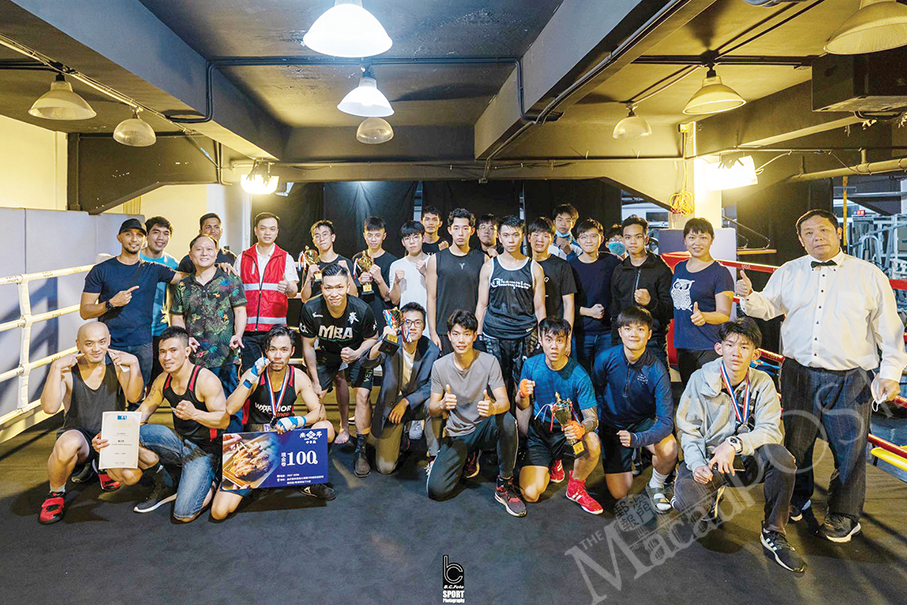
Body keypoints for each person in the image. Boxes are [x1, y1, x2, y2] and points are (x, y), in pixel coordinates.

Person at [737, 208, 907, 543]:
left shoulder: (868, 274)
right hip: (798, 372)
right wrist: (749, 297)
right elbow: (767, 307)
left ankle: (845, 514)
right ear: (801, 240)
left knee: (850, 449)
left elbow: (889, 329)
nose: (818, 238)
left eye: (824, 230)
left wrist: (890, 372)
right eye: (809, 233)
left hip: (851, 377)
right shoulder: (788, 271)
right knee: (796, 443)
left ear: (838, 233)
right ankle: (798, 498)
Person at [673, 319, 805, 573]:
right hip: (710, 460)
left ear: (755, 354)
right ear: (719, 348)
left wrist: (735, 444)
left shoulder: (763, 382)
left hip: (747, 460)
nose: (736, 352)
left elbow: (770, 430)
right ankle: (710, 493)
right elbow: (688, 430)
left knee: (783, 458)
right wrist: (697, 464)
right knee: (688, 502)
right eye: (730, 344)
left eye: (744, 346)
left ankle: (774, 532)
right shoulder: (700, 379)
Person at [93, 326, 229, 522]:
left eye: (173, 350)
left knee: (184, 514)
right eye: (162, 352)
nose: (167, 357)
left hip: (206, 450)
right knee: (132, 434)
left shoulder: (205, 380)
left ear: (187, 351)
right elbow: (140, 415)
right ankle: (167, 480)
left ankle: (212, 478)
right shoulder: (163, 380)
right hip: (179, 441)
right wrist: (108, 435)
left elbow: (223, 420)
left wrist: (195, 414)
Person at [211, 326, 337, 520]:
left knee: (326, 428)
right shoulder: (255, 374)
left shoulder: (298, 377)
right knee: (219, 512)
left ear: (292, 351)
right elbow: (230, 408)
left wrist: (297, 420)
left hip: (286, 441)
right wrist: (251, 376)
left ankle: (307, 481)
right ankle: (260, 481)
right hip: (257, 447)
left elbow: (318, 412)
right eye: (273, 349)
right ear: (266, 351)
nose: (278, 356)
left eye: (284, 350)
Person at [37, 323, 143, 524]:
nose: (96, 349)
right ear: (78, 344)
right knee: (66, 444)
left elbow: (134, 396)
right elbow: (49, 408)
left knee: (130, 476)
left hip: (109, 439)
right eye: (89, 343)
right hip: (81, 439)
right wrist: (55, 368)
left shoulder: (118, 366)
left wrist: (135, 364)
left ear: (109, 340)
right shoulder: (68, 371)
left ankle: (101, 466)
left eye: (102, 342)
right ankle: (56, 493)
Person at [426, 311, 525, 517]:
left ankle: (505, 483)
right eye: (456, 334)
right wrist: (442, 404)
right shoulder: (439, 366)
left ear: (474, 336)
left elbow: (504, 402)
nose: (461, 340)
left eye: (466, 334)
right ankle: (468, 455)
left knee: (507, 421)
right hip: (458, 433)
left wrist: (493, 408)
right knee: (436, 490)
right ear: (449, 336)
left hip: (483, 427)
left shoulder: (489, 361)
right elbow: (432, 408)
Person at [81, 218, 186, 389]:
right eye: (128, 234)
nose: (134, 239)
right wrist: (111, 303)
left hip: (141, 343)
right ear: (119, 238)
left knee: (138, 395)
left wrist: (218, 266)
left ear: (144, 239)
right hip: (110, 344)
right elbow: (85, 311)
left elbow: (184, 277)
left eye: (139, 235)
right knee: (109, 393)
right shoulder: (102, 270)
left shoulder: (153, 269)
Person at [593, 306, 677, 513]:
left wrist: (638, 439)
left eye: (640, 329)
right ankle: (631, 457)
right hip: (612, 425)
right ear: (620, 332)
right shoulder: (605, 358)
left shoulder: (657, 369)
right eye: (628, 328)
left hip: (641, 424)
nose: (634, 334)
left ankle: (656, 485)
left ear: (649, 334)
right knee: (619, 493)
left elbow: (666, 421)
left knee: (670, 449)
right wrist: (601, 427)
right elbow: (595, 393)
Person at [517, 318, 602, 515]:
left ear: (567, 342)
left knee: (592, 441)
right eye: (548, 340)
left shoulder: (579, 375)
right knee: (531, 494)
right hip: (541, 432)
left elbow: (593, 419)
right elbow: (522, 406)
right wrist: (522, 394)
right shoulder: (531, 365)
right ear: (540, 340)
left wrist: (582, 428)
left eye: (559, 340)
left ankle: (575, 487)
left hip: (567, 432)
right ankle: (553, 461)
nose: (554, 346)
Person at [300, 264, 379, 476]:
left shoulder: (361, 309)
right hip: (327, 351)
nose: (333, 293)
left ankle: (361, 449)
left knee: (362, 395)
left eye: (338, 287)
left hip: (355, 350)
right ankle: (319, 445)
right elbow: (308, 346)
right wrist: (315, 380)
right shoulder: (311, 308)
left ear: (347, 287)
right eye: (328, 288)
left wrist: (357, 353)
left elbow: (372, 338)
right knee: (315, 395)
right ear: (322, 288)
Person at [361, 302, 442, 475]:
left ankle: (434, 456)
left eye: (418, 322)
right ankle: (401, 437)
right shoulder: (391, 342)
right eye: (408, 322)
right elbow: (367, 363)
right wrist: (382, 341)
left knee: (434, 404)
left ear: (424, 326)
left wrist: (406, 402)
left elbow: (433, 384)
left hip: (416, 403)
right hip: (392, 406)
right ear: (400, 324)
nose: (412, 327)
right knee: (385, 468)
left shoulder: (432, 350)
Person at [476, 215, 546, 411]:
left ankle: (522, 431)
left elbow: (540, 308)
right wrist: (478, 335)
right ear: (499, 237)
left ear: (522, 236)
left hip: (524, 334)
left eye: (515, 235)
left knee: (523, 388)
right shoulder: (489, 266)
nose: (511, 240)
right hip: (494, 334)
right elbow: (481, 304)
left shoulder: (534, 268)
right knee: (495, 386)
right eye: (506, 235)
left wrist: (542, 337)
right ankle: (499, 428)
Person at [170, 234, 247, 404]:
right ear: (191, 255)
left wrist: (238, 334)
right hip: (194, 356)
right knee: (196, 402)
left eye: (209, 249)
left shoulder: (230, 279)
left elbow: (240, 310)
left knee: (229, 402)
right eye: (199, 249)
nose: (204, 253)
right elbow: (177, 316)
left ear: (216, 253)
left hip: (225, 354)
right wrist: (184, 339)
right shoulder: (183, 285)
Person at [670, 217, 734, 385]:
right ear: (685, 241)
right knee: (689, 394)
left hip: (708, 346)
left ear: (712, 240)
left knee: (709, 395)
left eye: (703, 237)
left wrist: (704, 316)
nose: (697, 242)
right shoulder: (679, 268)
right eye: (692, 237)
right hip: (683, 345)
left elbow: (724, 314)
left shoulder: (720, 273)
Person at [235, 212, 298, 373]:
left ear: (277, 232)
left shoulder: (286, 258)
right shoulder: (243, 257)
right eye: (263, 228)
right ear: (255, 230)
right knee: (251, 374)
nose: (267, 233)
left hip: (275, 331)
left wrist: (288, 287)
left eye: (272, 229)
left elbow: (293, 291)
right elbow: (234, 292)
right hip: (247, 329)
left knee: (275, 373)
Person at [610, 216, 673, 369]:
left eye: (638, 237)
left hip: (652, 340)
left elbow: (671, 310)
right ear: (623, 240)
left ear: (646, 239)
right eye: (628, 237)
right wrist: (616, 341)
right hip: (624, 341)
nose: (633, 241)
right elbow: (615, 309)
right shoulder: (619, 270)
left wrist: (650, 303)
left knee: (658, 381)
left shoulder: (660, 268)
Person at [426, 208, 485, 355]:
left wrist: (477, 331)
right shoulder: (436, 259)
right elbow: (431, 298)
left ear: (472, 231)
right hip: (444, 330)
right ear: (450, 230)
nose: (460, 233)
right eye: (456, 228)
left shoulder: (482, 259)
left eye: (465, 228)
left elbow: (483, 302)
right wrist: (433, 332)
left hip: (470, 330)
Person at [569, 218, 621, 372]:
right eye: (584, 237)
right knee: (582, 375)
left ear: (601, 239)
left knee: (606, 374)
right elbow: (564, 302)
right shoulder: (570, 266)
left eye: (593, 236)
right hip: (581, 332)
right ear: (578, 240)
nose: (588, 240)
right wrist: (588, 311)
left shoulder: (613, 262)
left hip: (607, 332)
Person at [139, 216, 179, 383]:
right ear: (147, 236)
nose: (161, 237)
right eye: (156, 232)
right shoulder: (135, 258)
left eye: (166, 233)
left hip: (159, 329)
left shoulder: (173, 264)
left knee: (158, 379)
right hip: (136, 330)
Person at [527, 217, 577, 331]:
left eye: (545, 236)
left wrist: (567, 334)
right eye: (536, 235)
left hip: (554, 329)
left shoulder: (562, 266)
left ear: (552, 239)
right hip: (528, 329)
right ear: (529, 238)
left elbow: (568, 304)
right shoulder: (524, 265)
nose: (540, 239)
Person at [351, 216, 397, 332]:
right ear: (364, 236)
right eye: (370, 235)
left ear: (384, 236)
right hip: (360, 313)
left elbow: (388, 298)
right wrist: (359, 282)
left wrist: (379, 279)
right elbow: (351, 293)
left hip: (382, 316)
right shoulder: (357, 259)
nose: (373, 239)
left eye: (377, 235)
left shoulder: (392, 262)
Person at [301, 219, 356, 301]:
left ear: (333, 237)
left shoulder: (346, 263)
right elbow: (304, 299)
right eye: (317, 236)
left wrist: (347, 273)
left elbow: (354, 295)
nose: (321, 239)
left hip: (339, 307)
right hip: (317, 308)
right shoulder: (311, 265)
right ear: (314, 242)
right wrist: (309, 278)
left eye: (325, 234)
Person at [389, 221, 429, 309]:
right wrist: (396, 282)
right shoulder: (396, 265)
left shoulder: (432, 262)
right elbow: (394, 300)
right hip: (405, 315)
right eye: (407, 238)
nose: (412, 242)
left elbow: (439, 294)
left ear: (423, 238)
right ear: (403, 242)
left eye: (416, 237)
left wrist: (426, 273)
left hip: (428, 315)